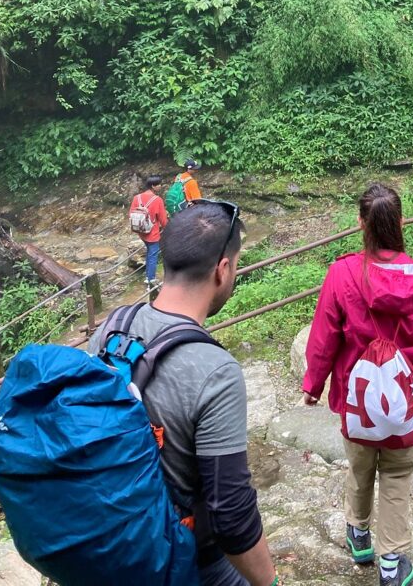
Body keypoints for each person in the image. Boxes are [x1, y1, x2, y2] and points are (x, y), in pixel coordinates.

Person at [91, 201, 278, 586]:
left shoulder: (112, 328)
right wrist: (268, 581)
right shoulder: (216, 372)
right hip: (185, 557)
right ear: (222, 270)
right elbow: (230, 513)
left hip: (106, 533)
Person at [302, 183, 413, 586]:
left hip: (357, 400)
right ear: (401, 222)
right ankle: (392, 562)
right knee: (396, 477)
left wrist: (313, 384)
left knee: (359, 468)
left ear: (361, 224)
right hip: (407, 402)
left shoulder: (341, 273)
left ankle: (358, 534)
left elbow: (324, 336)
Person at [129, 175, 168, 287]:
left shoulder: (137, 198)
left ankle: (148, 274)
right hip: (152, 232)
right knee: (153, 254)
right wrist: (167, 229)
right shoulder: (157, 200)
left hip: (141, 231)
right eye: (159, 184)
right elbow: (163, 219)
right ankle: (150, 279)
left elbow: (131, 213)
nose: (160, 186)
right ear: (153, 186)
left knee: (150, 252)